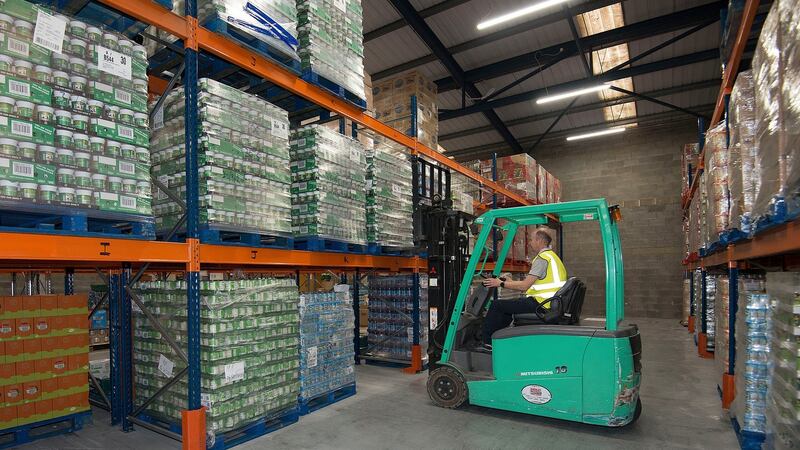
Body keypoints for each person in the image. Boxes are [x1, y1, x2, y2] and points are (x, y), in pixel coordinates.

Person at [478, 227, 567, 352]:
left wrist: (500, 284)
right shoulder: (552, 257)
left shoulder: (542, 259)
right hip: (548, 303)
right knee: (507, 307)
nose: (530, 243)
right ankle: (502, 339)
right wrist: (510, 282)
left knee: (497, 305)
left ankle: (488, 344)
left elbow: (525, 286)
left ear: (539, 240)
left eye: (531, 240)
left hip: (541, 304)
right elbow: (532, 283)